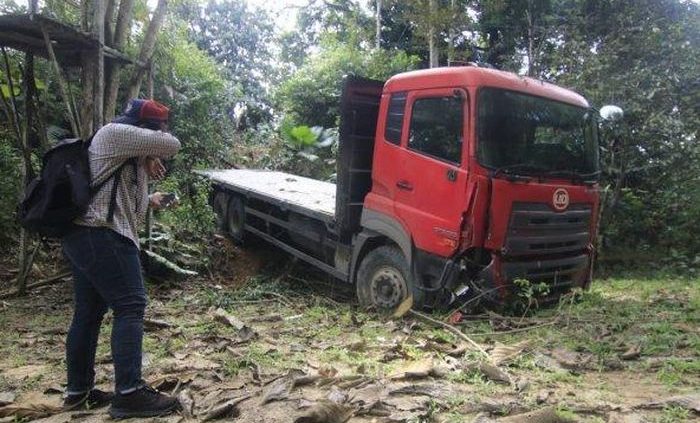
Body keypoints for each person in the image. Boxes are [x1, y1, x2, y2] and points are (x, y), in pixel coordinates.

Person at [61, 99, 181, 418]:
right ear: (146, 129)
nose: (162, 134)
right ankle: (129, 393)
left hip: (86, 235)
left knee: (88, 312)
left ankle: (78, 391)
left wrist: (151, 197)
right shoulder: (116, 134)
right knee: (131, 305)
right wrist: (153, 150)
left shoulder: (125, 152)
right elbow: (173, 144)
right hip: (103, 234)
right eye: (158, 129)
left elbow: (122, 198)